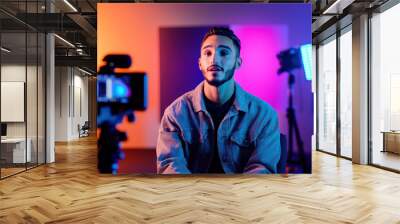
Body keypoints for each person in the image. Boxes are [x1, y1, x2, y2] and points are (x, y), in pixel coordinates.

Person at [156, 27, 281, 174]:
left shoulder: (265, 115)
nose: (214, 59)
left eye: (224, 52)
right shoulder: (174, 114)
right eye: (207, 53)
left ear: (238, 63)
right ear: (200, 63)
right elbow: (170, 165)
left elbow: (262, 168)